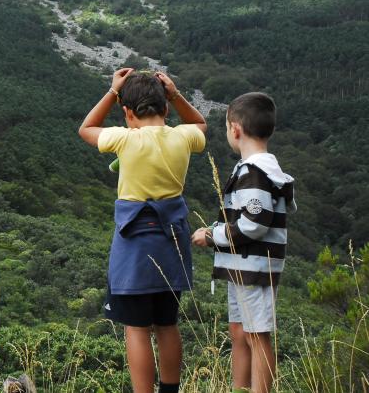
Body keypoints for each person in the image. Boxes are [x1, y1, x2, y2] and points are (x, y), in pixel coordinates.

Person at [78, 68, 207, 393]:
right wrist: (176, 94)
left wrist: (112, 91)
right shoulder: (182, 136)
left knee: (136, 329)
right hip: (172, 241)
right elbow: (201, 125)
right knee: (167, 324)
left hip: (135, 244)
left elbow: (86, 129)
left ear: (127, 112)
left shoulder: (124, 138)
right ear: (165, 108)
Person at [192, 92, 296, 393]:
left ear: (234, 129)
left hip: (254, 269)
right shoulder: (255, 169)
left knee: (257, 335)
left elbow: (254, 224)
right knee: (239, 331)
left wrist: (212, 234)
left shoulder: (255, 172)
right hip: (243, 268)